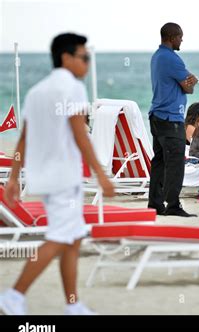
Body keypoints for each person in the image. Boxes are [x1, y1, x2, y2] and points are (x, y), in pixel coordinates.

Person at [0, 33, 115, 315]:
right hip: (63, 177)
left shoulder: (37, 91)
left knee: (73, 237)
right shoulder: (72, 87)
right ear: (66, 58)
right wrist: (101, 174)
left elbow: (24, 138)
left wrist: (14, 178)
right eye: (84, 57)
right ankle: (14, 295)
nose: (87, 63)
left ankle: (72, 305)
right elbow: (81, 135)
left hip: (45, 177)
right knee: (60, 238)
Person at [148, 22, 199, 218]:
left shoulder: (157, 57)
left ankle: (155, 204)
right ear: (171, 37)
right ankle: (173, 205)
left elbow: (183, 84)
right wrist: (191, 82)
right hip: (171, 118)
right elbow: (188, 87)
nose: (182, 40)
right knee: (175, 163)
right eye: (180, 36)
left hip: (156, 116)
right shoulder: (172, 59)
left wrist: (188, 82)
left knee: (160, 161)